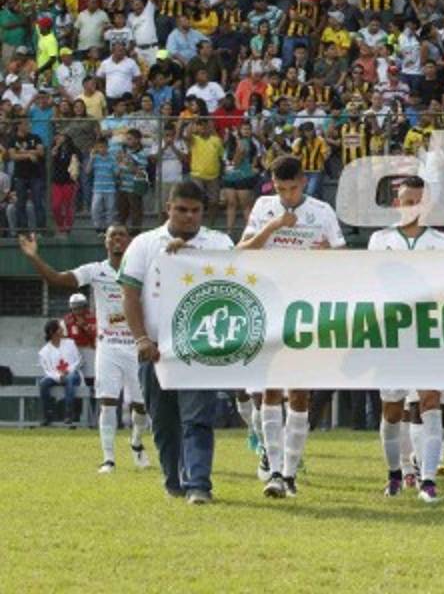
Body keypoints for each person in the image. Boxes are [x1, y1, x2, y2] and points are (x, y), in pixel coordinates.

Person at [119, 181, 235, 504]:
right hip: (155, 350)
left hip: (200, 348)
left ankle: (198, 484)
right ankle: (173, 481)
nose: (188, 217)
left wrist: (192, 261)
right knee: (164, 423)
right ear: (168, 208)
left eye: (195, 211)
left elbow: (232, 287)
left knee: (198, 420)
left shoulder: (220, 244)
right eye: (181, 210)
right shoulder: (144, 244)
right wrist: (141, 338)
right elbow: (129, 295)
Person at [238, 155, 346, 498]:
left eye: (293, 188)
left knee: (299, 392)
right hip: (269, 304)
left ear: (305, 182)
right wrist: (273, 228)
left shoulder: (322, 212)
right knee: (269, 390)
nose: (287, 195)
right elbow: (241, 251)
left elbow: (345, 260)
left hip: (307, 308)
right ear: (273, 184)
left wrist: (327, 255)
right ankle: (273, 470)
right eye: (281, 188)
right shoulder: (263, 207)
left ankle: (290, 473)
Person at [20, 226, 150, 472]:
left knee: (141, 406)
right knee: (107, 402)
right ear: (106, 242)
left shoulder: (141, 269)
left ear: (129, 240)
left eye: (122, 234)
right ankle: (108, 459)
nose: (117, 239)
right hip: (108, 347)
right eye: (112, 235)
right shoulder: (95, 270)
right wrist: (33, 256)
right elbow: (56, 279)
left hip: (135, 346)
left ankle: (136, 442)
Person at [367, 175, 444, 504]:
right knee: (392, 410)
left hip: (429, 332)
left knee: (430, 401)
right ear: (397, 205)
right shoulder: (379, 241)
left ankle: (428, 479)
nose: (413, 209)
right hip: (392, 334)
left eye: (419, 202)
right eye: (407, 202)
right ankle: (395, 473)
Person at [37, 319, 82, 427]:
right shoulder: (44, 351)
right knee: (43, 383)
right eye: (59, 328)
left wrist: (68, 371)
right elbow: (47, 370)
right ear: (53, 332)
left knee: (70, 379)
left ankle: (68, 414)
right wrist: (58, 376)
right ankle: (47, 415)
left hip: (73, 375)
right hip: (55, 377)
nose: (62, 329)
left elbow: (79, 360)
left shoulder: (70, 343)